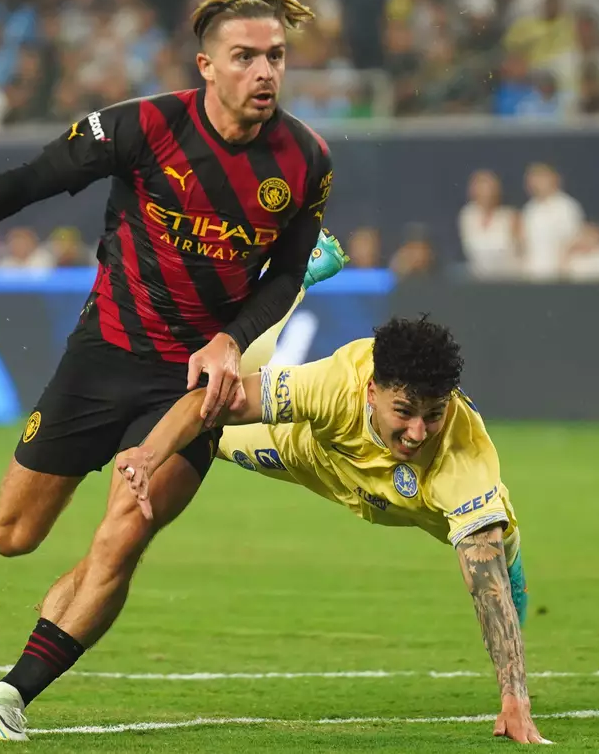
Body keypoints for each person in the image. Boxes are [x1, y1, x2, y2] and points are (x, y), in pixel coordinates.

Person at [0, 0, 349, 738]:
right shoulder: (141, 127)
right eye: (244, 57)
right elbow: (25, 184)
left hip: (190, 383)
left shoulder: (306, 160)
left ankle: (10, 697)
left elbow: (280, 274)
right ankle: (63, 610)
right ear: (205, 65)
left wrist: (230, 341)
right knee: (13, 536)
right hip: (103, 353)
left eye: (275, 57)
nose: (264, 72)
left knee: (124, 531)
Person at [113, 316, 546, 744]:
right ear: (372, 393)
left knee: (496, 555)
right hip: (309, 456)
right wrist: (149, 455)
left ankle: (515, 564)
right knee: (204, 421)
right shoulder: (335, 382)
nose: (417, 431)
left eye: (433, 414)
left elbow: (485, 589)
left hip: (421, 500)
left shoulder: (463, 455)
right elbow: (210, 401)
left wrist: (515, 701)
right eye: (404, 411)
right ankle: (298, 285)